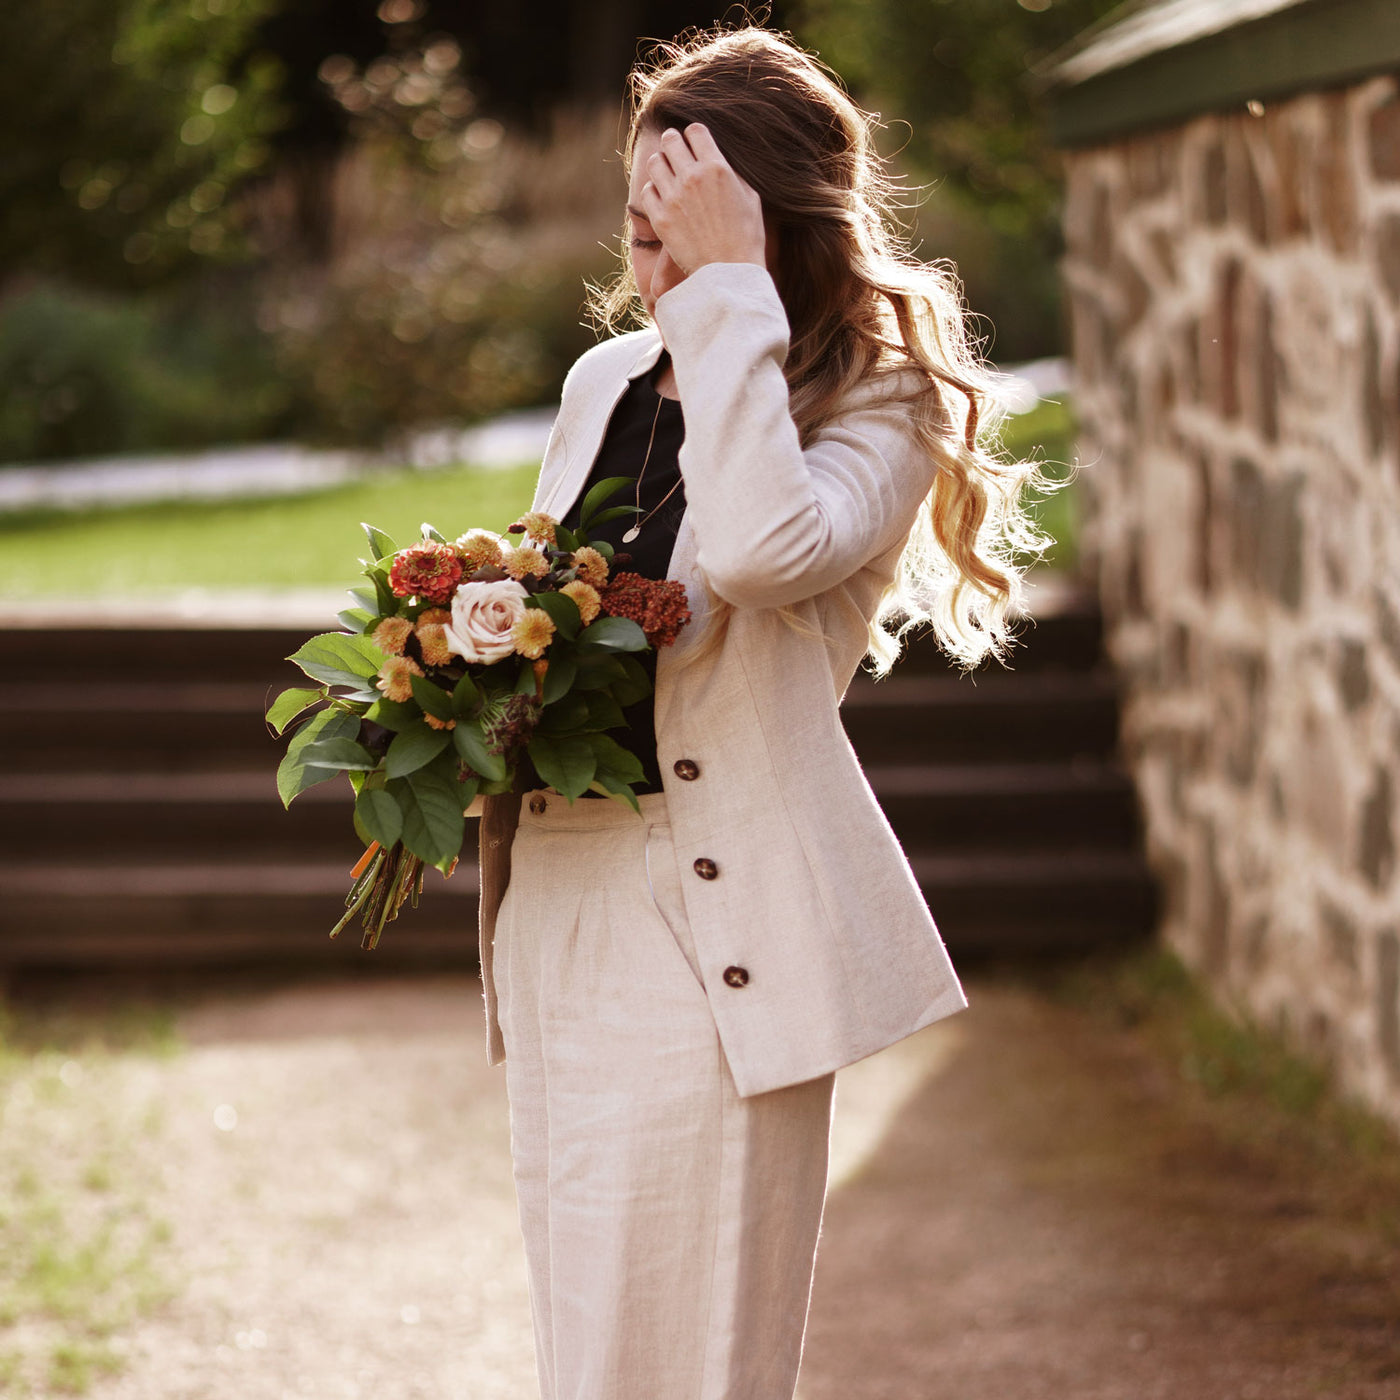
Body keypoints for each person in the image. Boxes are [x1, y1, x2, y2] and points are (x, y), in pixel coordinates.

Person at [473, 25, 1053, 1400]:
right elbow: (561, 618)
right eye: (640, 232)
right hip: (557, 899)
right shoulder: (602, 384)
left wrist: (730, 296)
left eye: (684, 235)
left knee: (701, 1349)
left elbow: (755, 554)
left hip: (713, 920)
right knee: (591, 1350)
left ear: (776, 232)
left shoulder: (881, 402)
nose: (651, 273)